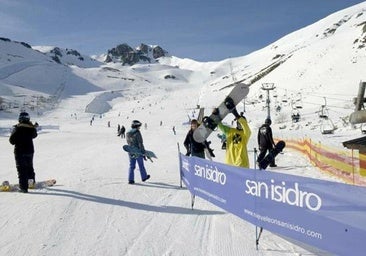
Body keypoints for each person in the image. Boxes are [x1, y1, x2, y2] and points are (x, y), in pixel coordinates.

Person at [9, 112, 38, 193]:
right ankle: (31, 183)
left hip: (20, 151)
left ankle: (23, 188)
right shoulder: (31, 127)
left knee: (21, 169)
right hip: (29, 151)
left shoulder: (18, 128)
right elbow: (35, 135)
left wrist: (15, 132)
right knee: (29, 167)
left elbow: (11, 141)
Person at [126, 120, 150, 184]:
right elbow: (140, 143)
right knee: (141, 165)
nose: (139, 128)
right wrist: (143, 152)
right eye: (138, 126)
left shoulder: (128, 132)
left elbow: (128, 142)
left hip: (130, 150)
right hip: (137, 151)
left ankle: (130, 179)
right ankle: (144, 177)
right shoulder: (137, 132)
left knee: (131, 165)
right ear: (136, 126)